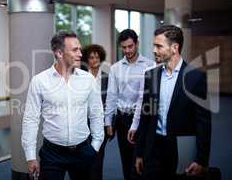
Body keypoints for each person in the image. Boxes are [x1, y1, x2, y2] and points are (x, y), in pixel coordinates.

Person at [21, 31, 104, 180]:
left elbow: (96, 113)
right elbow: (30, 120)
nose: (80, 54)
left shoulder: (88, 79)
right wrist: (30, 156)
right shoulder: (39, 81)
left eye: (80, 49)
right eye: (75, 50)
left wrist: (95, 146)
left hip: (83, 151)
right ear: (59, 53)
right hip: (52, 154)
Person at [135, 25, 212, 180]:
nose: (154, 50)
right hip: (153, 148)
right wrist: (139, 153)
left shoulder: (195, 77)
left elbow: (203, 122)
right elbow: (146, 116)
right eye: (153, 45)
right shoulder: (151, 75)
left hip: (180, 149)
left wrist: (201, 160)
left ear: (175, 48)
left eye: (159, 46)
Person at [104, 29, 155, 180]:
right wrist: (108, 122)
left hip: (143, 118)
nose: (127, 50)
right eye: (124, 47)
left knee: (142, 159)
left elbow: (148, 96)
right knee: (126, 160)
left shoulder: (150, 65)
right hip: (123, 119)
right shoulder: (115, 68)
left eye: (130, 46)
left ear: (137, 43)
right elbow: (111, 96)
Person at [81, 44, 109, 180]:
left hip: (101, 124)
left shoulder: (107, 78)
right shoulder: (80, 77)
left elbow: (111, 101)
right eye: (91, 57)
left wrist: (110, 123)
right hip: (83, 124)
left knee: (98, 158)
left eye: (97, 57)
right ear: (87, 60)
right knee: (84, 160)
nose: (94, 60)